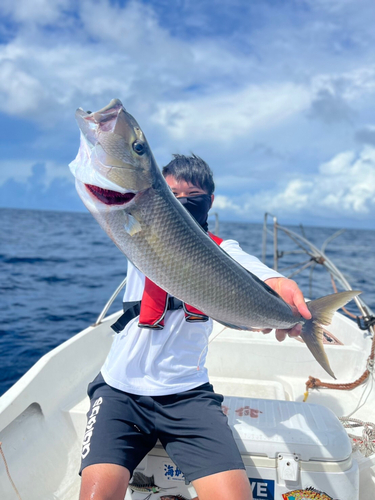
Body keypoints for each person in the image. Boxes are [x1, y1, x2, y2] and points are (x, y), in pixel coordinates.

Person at [78, 154, 311, 500]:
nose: (184, 202)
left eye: (194, 196)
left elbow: (258, 272)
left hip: (188, 396)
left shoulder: (223, 250)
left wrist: (281, 286)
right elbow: (109, 190)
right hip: (120, 391)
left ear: (210, 201)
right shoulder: (140, 233)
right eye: (173, 195)